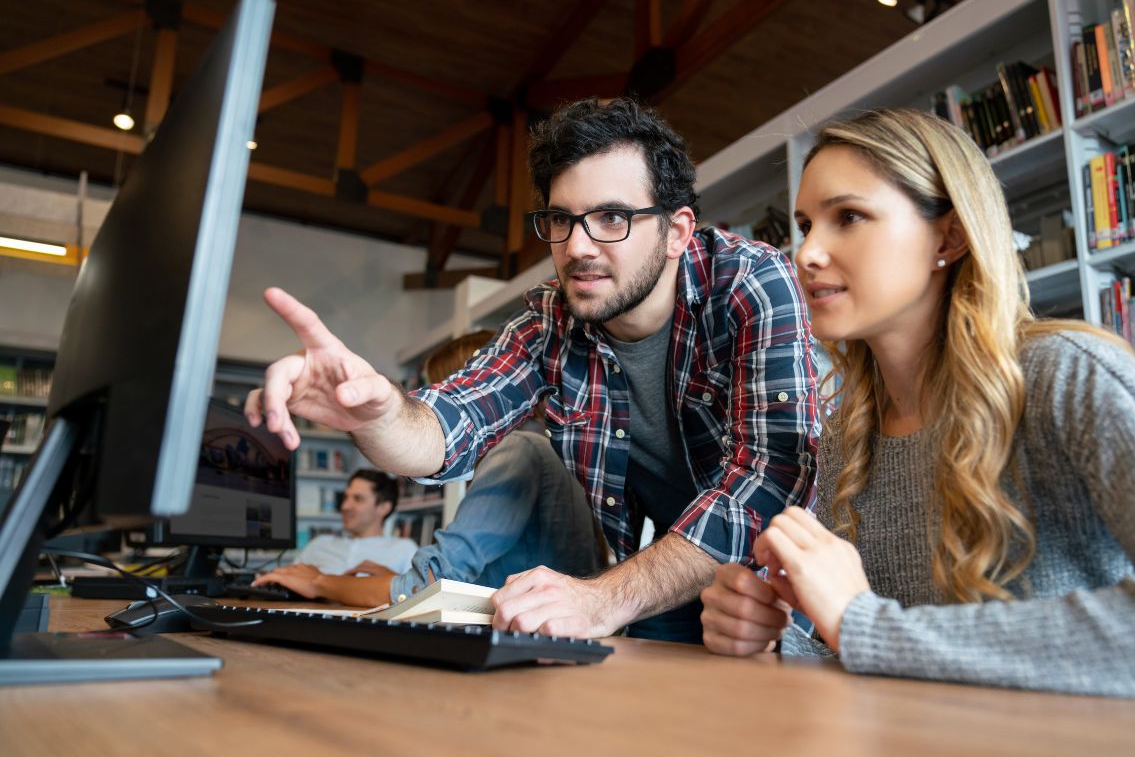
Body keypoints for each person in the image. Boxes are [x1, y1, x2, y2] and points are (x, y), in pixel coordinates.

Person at [245, 97, 821, 642]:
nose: (578, 248)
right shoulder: (553, 317)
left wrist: (603, 598)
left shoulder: (750, 281)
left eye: (612, 218)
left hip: (779, 586)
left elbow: (767, 479)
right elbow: (448, 425)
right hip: (662, 579)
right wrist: (372, 413)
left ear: (676, 232)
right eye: (562, 220)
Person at [699, 108, 1135, 700]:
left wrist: (860, 625)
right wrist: (780, 636)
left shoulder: (1068, 374)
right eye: (806, 224)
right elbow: (900, 652)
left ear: (950, 237)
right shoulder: (850, 433)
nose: (806, 253)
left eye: (849, 217)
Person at [250, 332, 608, 608]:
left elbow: (427, 588)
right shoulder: (545, 451)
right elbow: (464, 586)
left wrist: (318, 582)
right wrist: (394, 580)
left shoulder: (517, 451)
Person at [254, 468, 416, 590]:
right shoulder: (319, 544)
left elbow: (416, 597)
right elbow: (288, 581)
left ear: (383, 508)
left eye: (358, 499)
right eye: (346, 498)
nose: (345, 506)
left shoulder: (404, 549)